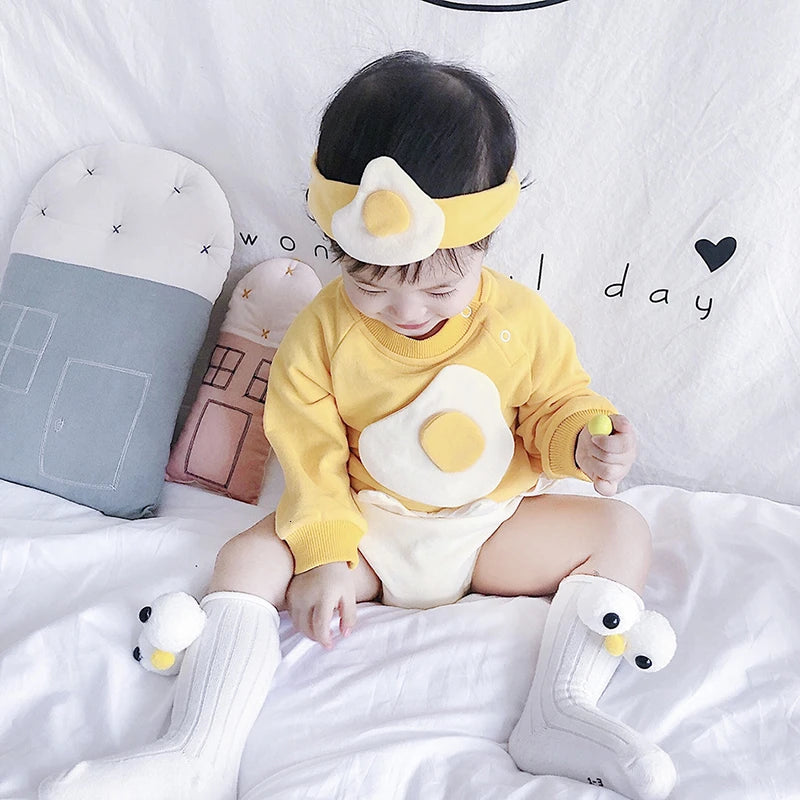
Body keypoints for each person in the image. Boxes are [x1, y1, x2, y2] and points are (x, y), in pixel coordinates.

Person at [40, 51, 676, 800]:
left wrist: (583, 441)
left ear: (483, 247)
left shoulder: (518, 321)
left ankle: (561, 710)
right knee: (247, 559)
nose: (406, 313)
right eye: (369, 285)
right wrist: (321, 556)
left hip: (492, 533)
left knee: (622, 531)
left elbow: (551, 406)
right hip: (366, 536)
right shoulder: (320, 335)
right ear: (339, 248)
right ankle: (198, 749)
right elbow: (309, 458)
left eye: (440, 289)